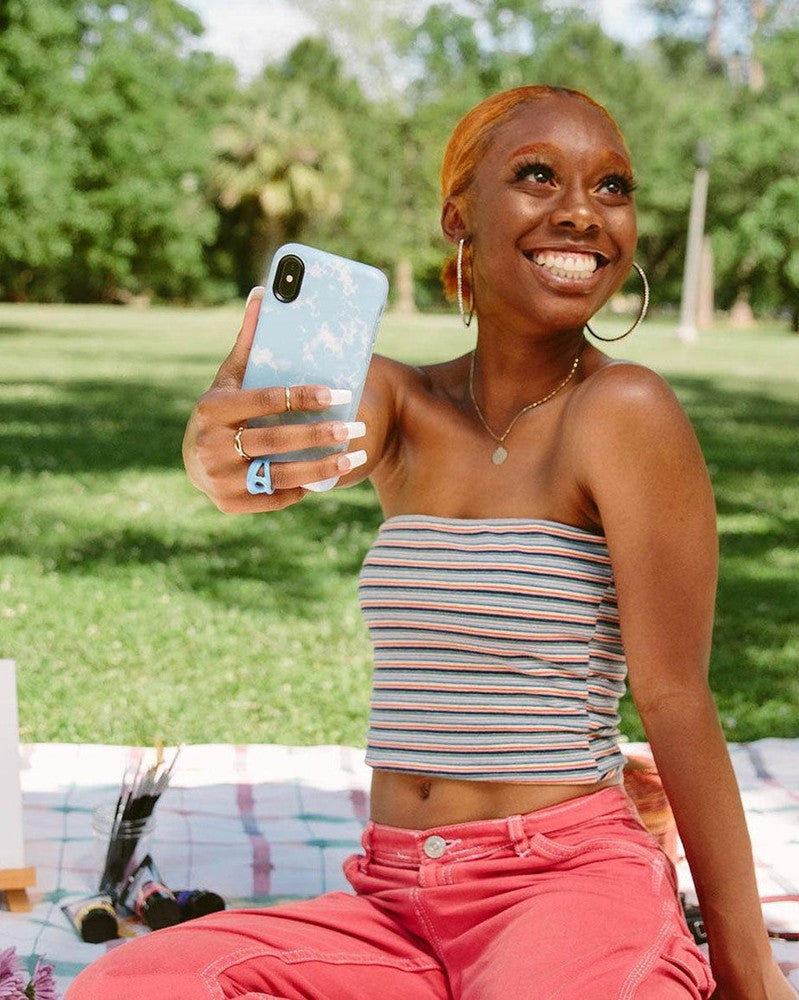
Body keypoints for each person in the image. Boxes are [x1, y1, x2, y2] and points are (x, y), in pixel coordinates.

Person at [66, 85, 795, 999]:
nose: (582, 211)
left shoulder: (623, 409)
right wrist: (214, 452)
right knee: (130, 985)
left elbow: (675, 696)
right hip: (397, 898)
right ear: (459, 216)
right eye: (537, 176)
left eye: (611, 186)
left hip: (563, 883)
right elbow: (298, 443)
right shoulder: (401, 404)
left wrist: (749, 972)